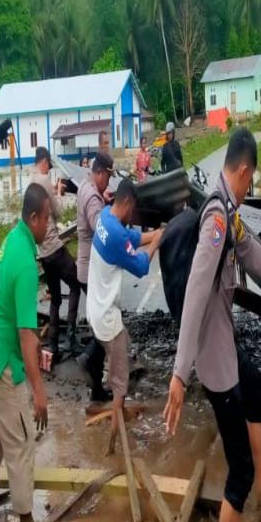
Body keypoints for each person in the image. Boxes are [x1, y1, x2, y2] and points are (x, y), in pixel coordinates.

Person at [163, 128, 261, 522]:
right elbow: (197, 294)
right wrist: (180, 374)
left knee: (255, 382)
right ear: (242, 171)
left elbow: (248, 248)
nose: (248, 186)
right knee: (234, 470)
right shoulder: (215, 218)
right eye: (249, 179)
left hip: (226, 340)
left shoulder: (227, 207)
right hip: (212, 357)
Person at [0, 183, 51, 522]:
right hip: (4, 363)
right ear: (33, 217)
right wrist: (38, 392)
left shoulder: (12, 240)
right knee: (21, 442)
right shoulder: (24, 261)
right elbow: (26, 338)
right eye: (47, 219)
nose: (49, 227)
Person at [87, 179, 162, 443]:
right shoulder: (116, 235)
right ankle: (112, 444)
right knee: (121, 386)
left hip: (94, 310)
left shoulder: (106, 218)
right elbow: (141, 266)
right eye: (134, 209)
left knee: (121, 350)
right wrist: (156, 243)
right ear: (128, 202)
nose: (134, 215)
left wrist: (153, 234)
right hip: (108, 319)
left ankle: (100, 370)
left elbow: (131, 238)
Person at [29, 147, 80, 356]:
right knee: (76, 285)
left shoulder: (31, 181)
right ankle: (70, 337)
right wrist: (57, 191)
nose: (49, 168)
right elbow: (57, 213)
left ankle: (53, 345)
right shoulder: (44, 180)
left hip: (43, 252)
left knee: (56, 297)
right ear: (45, 161)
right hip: (54, 248)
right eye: (49, 165)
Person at [76, 153, 114, 403]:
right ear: (99, 172)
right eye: (107, 177)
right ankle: (89, 359)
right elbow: (100, 229)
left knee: (102, 324)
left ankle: (97, 389)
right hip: (92, 272)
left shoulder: (86, 187)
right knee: (106, 326)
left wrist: (104, 199)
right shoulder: (92, 197)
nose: (108, 183)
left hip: (85, 268)